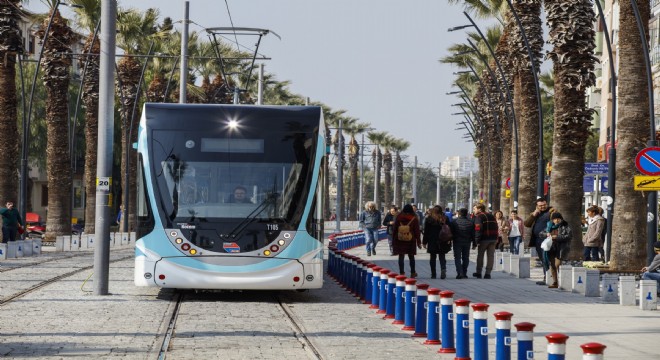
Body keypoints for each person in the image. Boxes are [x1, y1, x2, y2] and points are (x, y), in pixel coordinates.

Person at [524, 197, 554, 285]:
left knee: (547, 258)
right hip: (537, 240)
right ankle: (547, 277)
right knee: (543, 259)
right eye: (540, 205)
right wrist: (533, 214)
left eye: (544, 205)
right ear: (537, 206)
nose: (542, 207)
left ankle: (549, 278)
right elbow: (527, 224)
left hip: (547, 240)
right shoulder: (536, 213)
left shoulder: (552, 212)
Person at [539, 212, 572, 288]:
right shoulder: (549, 226)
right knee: (552, 265)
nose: (556, 221)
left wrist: (556, 237)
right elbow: (541, 234)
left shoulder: (565, 226)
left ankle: (563, 282)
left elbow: (569, 236)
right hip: (550, 248)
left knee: (557, 265)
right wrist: (546, 234)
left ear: (561, 219)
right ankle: (555, 282)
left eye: (558, 219)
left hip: (561, 248)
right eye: (554, 219)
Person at [393, 204, 422, 278]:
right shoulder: (414, 218)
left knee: (401, 256)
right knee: (411, 256)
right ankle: (413, 272)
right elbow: (417, 231)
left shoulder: (399, 217)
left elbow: (395, 229)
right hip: (410, 240)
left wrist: (394, 239)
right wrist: (419, 242)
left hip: (400, 239)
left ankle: (402, 272)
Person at [422, 206, 452, 279]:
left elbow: (426, 231)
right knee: (442, 256)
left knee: (432, 257)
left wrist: (424, 242)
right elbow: (449, 229)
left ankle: (433, 274)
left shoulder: (429, 219)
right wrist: (449, 239)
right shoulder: (445, 218)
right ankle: (443, 269)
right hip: (443, 240)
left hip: (432, 240)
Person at [472, 203, 498, 279]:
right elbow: (496, 227)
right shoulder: (491, 216)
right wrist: (496, 238)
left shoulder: (479, 217)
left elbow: (478, 229)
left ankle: (478, 272)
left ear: (479, 209)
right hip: (493, 239)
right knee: (490, 256)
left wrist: (476, 241)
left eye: (475, 209)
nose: (474, 210)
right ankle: (488, 273)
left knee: (480, 255)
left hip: (484, 239)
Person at [452, 208, 474, 279]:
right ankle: (464, 273)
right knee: (466, 257)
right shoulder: (470, 222)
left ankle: (459, 272)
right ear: (466, 213)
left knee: (457, 258)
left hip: (457, 241)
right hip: (467, 242)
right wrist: (474, 242)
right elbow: (473, 233)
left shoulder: (455, 222)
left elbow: (452, 232)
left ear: (459, 213)